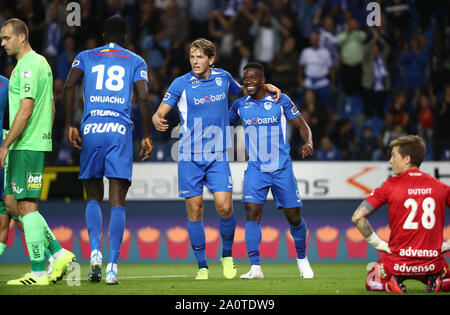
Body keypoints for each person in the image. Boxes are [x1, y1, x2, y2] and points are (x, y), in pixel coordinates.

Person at [152, 38, 280, 280]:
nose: (195, 61)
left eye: (200, 56)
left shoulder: (223, 78)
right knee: (195, 210)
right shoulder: (180, 84)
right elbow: (159, 113)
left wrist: (268, 86)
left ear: (211, 59)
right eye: (192, 57)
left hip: (218, 155)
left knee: (225, 207)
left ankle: (227, 256)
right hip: (189, 157)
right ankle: (202, 266)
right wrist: (156, 120)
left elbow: (245, 90)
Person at [64, 17, 153, 285]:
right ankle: (112, 266)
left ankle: (94, 253)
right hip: (119, 129)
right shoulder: (135, 60)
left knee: (93, 196)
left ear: (104, 36)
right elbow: (145, 97)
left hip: (92, 127)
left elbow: (69, 85)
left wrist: (69, 124)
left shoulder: (86, 56)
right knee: (117, 200)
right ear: (125, 37)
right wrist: (147, 135)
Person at [0, 18, 76, 285]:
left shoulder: (28, 67)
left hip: (26, 145)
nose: (3, 43)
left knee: (27, 206)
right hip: (35, 143)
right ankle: (58, 252)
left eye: (7, 38)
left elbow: (26, 108)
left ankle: (38, 271)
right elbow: (52, 108)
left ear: (22, 37)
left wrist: (7, 143)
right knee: (15, 203)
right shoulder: (42, 63)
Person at [229, 62, 314, 279]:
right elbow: (222, 124)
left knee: (294, 217)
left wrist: (309, 142)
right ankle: (255, 267)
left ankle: (303, 260)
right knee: (251, 216)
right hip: (256, 169)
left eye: (253, 78)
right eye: (245, 78)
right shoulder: (240, 106)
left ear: (262, 80)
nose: (248, 81)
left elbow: (302, 125)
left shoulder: (280, 99)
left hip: (281, 168)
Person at [351, 135, 450, 293]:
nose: (390, 161)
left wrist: (381, 245)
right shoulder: (440, 186)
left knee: (371, 280)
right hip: (431, 264)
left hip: (397, 264)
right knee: (445, 270)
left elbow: (357, 217)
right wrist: (448, 244)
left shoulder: (390, 185)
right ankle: (439, 283)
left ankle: (391, 285)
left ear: (407, 159)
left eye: (393, 155)